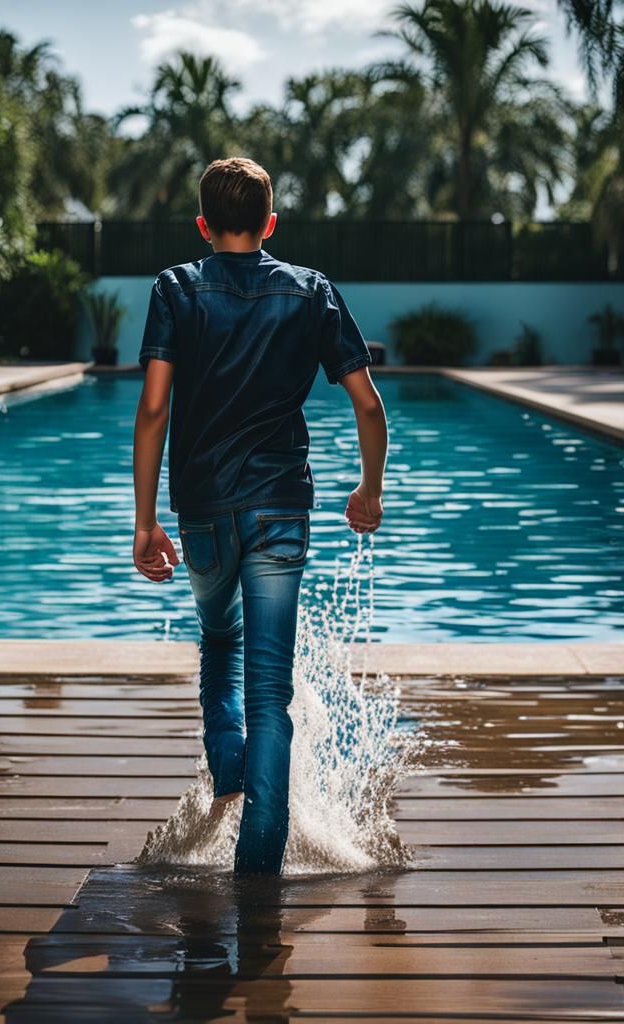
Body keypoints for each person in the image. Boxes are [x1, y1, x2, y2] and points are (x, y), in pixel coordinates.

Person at [131, 156, 388, 874]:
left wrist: (144, 521)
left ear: (203, 225)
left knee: (220, 637)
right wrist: (369, 490)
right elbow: (369, 404)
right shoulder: (311, 293)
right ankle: (259, 862)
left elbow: (154, 408)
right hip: (281, 507)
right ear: (271, 224)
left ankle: (230, 773)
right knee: (270, 692)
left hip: (204, 508)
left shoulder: (176, 288)